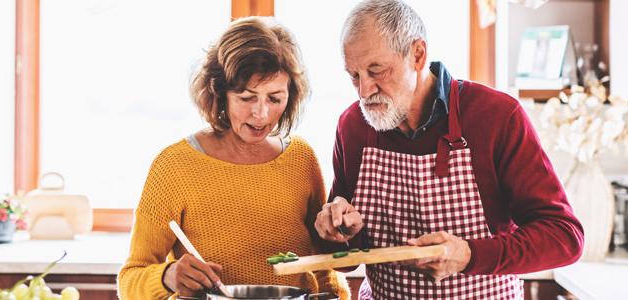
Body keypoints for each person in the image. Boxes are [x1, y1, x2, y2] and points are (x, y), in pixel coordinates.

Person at [314, 0, 584, 299]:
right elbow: (343, 259)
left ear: (418, 55)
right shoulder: (352, 126)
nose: (364, 91)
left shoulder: (496, 116)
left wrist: (469, 255)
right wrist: (339, 232)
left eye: (376, 71)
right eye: (354, 75)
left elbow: (564, 237)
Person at [118, 16, 350, 300]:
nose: (261, 114)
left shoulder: (301, 159)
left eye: (275, 99)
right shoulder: (175, 166)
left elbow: (323, 268)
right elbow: (131, 279)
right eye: (246, 97)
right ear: (219, 92)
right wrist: (166, 277)